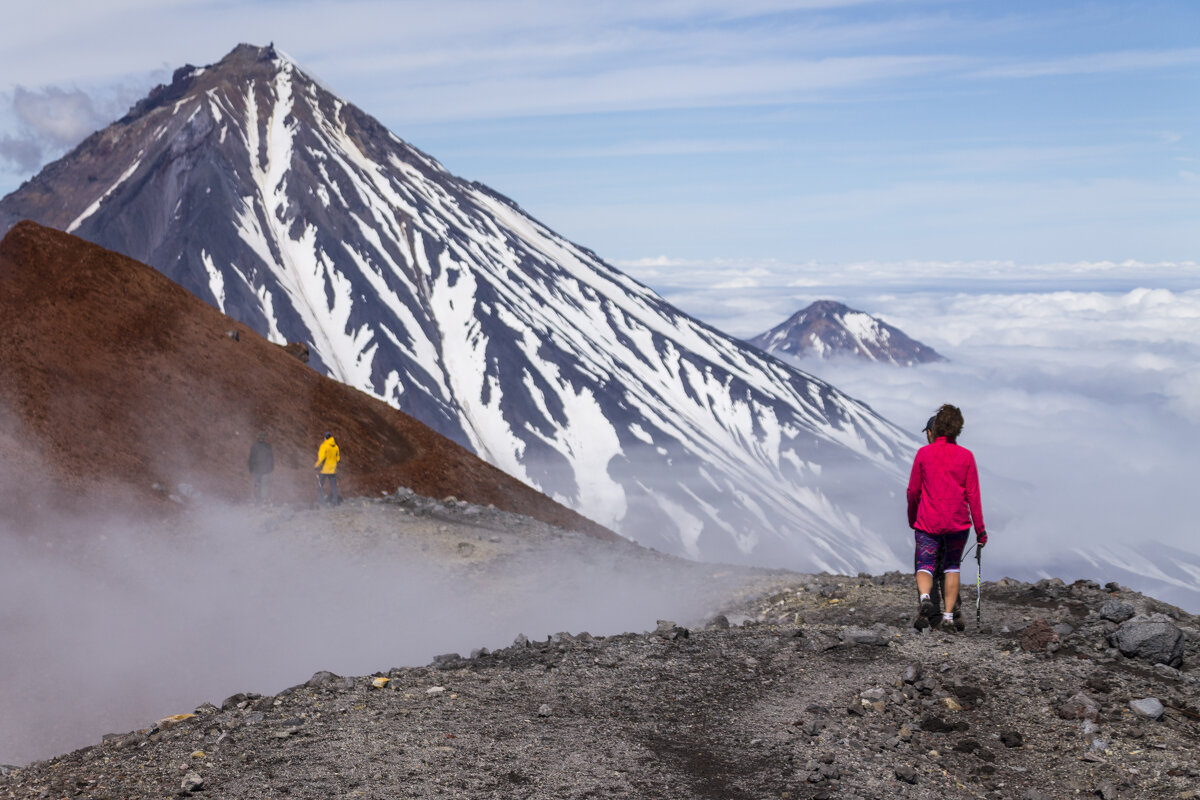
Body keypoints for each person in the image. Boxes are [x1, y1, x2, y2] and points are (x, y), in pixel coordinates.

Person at [907, 404, 986, 632]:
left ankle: (926, 604)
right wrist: (981, 531)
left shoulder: (924, 454)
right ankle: (951, 616)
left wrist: (913, 518)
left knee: (925, 565)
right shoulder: (966, 457)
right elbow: (974, 496)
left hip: (928, 522)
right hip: (957, 524)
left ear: (933, 430)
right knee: (951, 567)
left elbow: (913, 491)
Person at [314, 431, 341, 506]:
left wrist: (316, 466)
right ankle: (335, 502)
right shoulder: (336, 447)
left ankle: (321, 501)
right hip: (332, 470)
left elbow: (321, 458)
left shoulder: (324, 446)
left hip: (324, 470)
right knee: (333, 486)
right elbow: (338, 458)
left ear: (325, 438)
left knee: (320, 485)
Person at [247, 431, 274, 504]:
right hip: (264, 469)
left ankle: (258, 499)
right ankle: (262, 499)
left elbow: (251, 458)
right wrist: (271, 467)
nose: (261, 438)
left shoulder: (254, 446)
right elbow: (271, 458)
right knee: (263, 485)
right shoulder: (267, 446)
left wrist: (250, 468)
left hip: (259, 469)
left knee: (258, 484)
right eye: (261, 437)